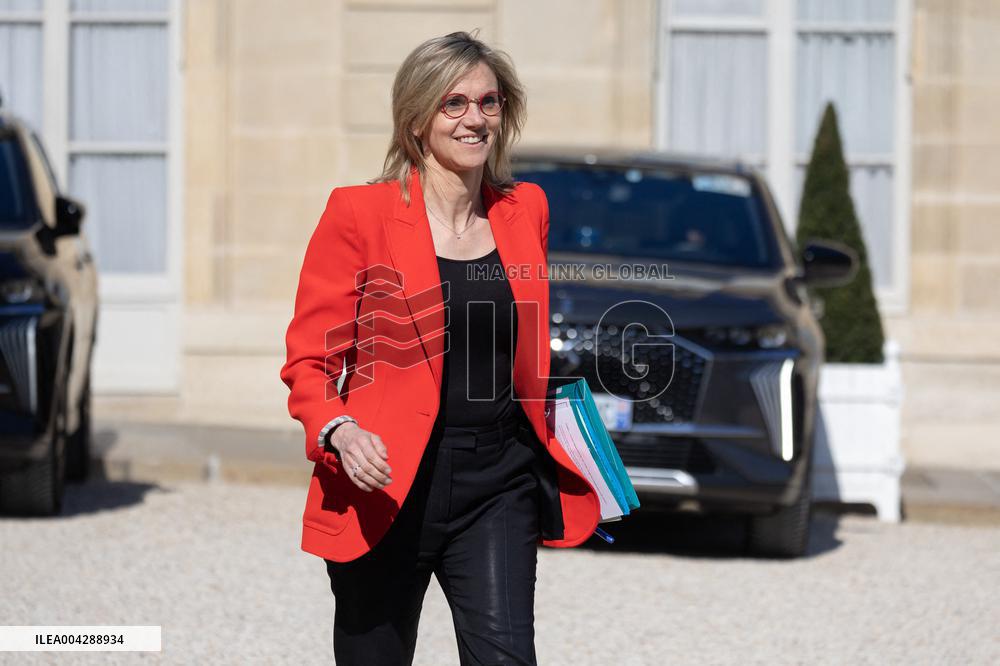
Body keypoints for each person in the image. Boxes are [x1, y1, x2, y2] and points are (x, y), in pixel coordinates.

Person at [279, 30, 601, 665]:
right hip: (388, 483)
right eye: (453, 103)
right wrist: (339, 429)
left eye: (489, 102)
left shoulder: (524, 209)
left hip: (498, 481)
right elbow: (310, 359)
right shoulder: (358, 215)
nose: (474, 118)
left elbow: (521, 348)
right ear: (416, 120)